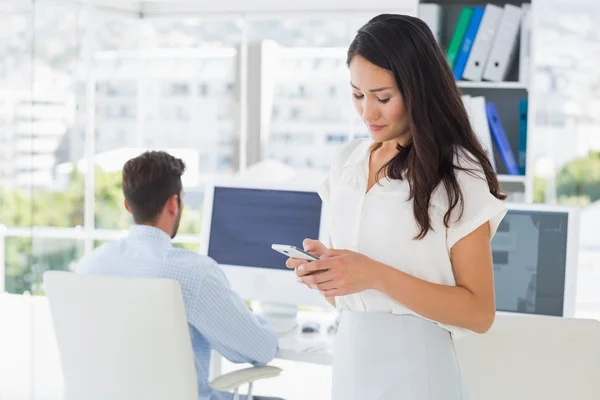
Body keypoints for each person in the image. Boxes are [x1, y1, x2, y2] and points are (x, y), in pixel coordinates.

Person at [286, 14, 507, 400]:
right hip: (350, 362)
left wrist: (375, 275)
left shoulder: (457, 174)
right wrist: (329, 275)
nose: (368, 113)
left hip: (418, 374)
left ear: (418, 90)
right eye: (358, 95)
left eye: (383, 98)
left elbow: (479, 312)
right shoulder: (347, 162)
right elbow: (350, 297)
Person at [76, 151, 282, 400]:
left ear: (128, 206)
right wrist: (259, 321)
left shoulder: (90, 266)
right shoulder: (194, 274)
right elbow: (260, 349)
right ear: (174, 204)